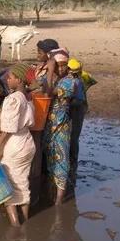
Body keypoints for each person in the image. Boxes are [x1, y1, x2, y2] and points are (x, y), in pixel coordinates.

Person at [0, 63, 36, 226]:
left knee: (7, 187)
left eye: (10, 77)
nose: (7, 80)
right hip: (27, 142)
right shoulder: (28, 97)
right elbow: (24, 122)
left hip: (15, 145)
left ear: (18, 80)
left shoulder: (12, 99)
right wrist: (1, 128)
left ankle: (16, 227)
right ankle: (25, 222)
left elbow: (10, 129)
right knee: (22, 183)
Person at [42, 49, 78, 205]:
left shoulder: (70, 82)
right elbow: (40, 89)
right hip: (49, 126)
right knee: (50, 161)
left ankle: (58, 202)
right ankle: (51, 195)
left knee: (61, 162)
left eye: (64, 66)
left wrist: (50, 71)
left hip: (61, 126)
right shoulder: (51, 78)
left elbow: (48, 93)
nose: (62, 69)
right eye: (58, 66)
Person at [67, 57, 97, 187]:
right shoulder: (79, 78)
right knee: (72, 137)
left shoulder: (78, 80)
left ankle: (73, 166)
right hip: (76, 109)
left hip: (77, 109)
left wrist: (67, 101)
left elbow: (79, 100)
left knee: (73, 138)